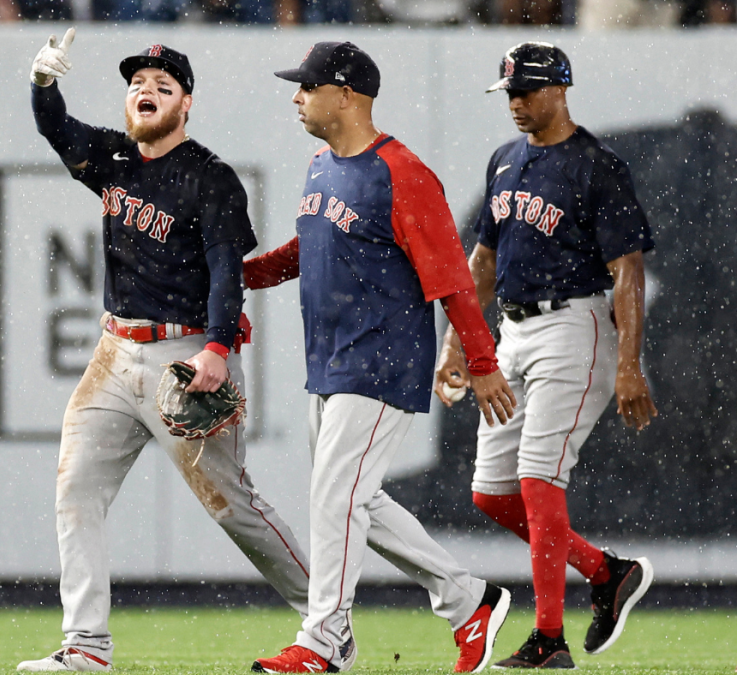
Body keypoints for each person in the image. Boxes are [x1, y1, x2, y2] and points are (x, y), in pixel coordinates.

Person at [19, 29, 312, 672]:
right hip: (112, 352)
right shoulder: (113, 158)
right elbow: (55, 127)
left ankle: (324, 620)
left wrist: (216, 348)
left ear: (186, 105)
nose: (146, 92)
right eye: (137, 85)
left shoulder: (211, 178)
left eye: (163, 86)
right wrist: (43, 83)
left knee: (233, 505)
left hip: (186, 355)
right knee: (76, 491)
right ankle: (86, 646)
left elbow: (227, 272)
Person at [243, 42, 517, 674]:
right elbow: (304, 248)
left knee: (337, 497)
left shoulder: (403, 173)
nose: (296, 97)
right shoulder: (321, 165)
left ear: (346, 95)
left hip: (383, 358)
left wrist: (481, 359)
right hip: (332, 362)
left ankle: (324, 639)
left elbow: (452, 279)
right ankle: (469, 598)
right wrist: (245, 277)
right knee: (352, 498)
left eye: (307, 87)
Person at [434, 41, 656, 669]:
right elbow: (481, 263)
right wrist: (457, 343)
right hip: (513, 330)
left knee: (536, 479)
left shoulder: (597, 165)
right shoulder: (504, 160)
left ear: (561, 89)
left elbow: (627, 270)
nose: (515, 102)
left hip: (575, 324)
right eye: (508, 91)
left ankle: (549, 638)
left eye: (525, 90)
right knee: (491, 492)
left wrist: (629, 362)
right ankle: (604, 571)